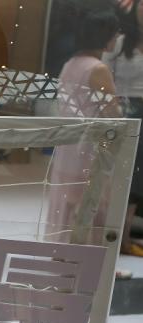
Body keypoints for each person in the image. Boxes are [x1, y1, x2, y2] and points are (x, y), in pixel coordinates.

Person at [47, 2, 122, 257]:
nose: (117, 38)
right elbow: (113, 114)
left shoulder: (71, 63)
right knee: (92, 207)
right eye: (115, 33)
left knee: (66, 209)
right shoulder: (98, 69)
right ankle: (89, 263)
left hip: (68, 148)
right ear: (106, 36)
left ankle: (63, 257)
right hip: (89, 151)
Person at [106, 0, 143, 259]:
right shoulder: (120, 43)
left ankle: (125, 236)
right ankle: (112, 235)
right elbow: (102, 74)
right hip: (123, 113)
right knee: (119, 176)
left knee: (138, 180)